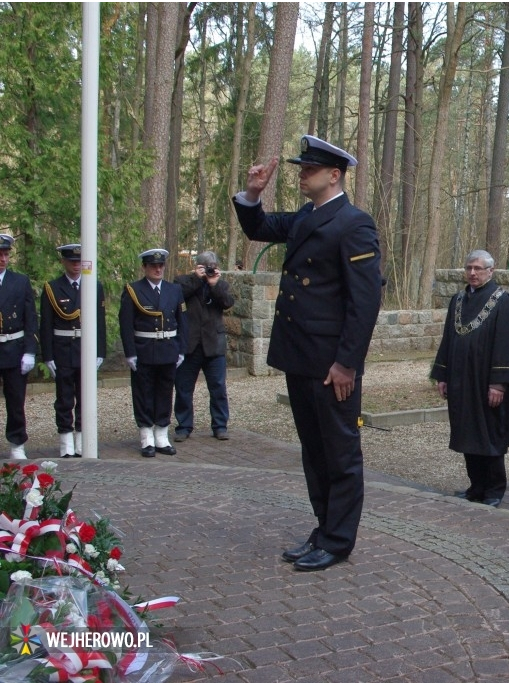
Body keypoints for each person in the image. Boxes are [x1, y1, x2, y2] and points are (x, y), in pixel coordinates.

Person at [233, 134, 381, 572]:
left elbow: (364, 302)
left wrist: (346, 363)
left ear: (334, 175)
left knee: (339, 452)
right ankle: (323, 529)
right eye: (301, 168)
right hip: (300, 356)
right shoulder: (306, 217)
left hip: (330, 362)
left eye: (309, 169)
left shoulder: (355, 224)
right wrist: (254, 193)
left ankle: (338, 541)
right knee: (314, 451)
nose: (301, 174)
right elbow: (258, 228)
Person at [431, 250, 509, 506]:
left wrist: (498, 383)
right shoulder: (457, 300)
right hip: (461, 379)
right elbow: (449, 338)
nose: (472, 273)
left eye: (478, 268)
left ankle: (493, 490)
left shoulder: (502, 300)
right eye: (469, 268)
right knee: (466, 432)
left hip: (486, 381)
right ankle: (476, 486)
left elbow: (506, 344)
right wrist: (442, 374)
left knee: (488, 434)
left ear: (490, 271)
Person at [119, 249, 188, 459]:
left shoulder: (174, 290)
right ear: (145, 267)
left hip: (168, 349)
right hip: (144, 349)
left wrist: (182, 349)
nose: (158, 269)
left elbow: (182, 321)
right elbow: (126, 324)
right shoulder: (133, 290)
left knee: (165, 392)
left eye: (161, 266)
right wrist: (130, 352)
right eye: (153, 266)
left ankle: (162, 434)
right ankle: (146, 436)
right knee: (144, 393)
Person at [39, 244, 106, 458]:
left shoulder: (93, 286)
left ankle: (81, 439)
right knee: (65, 398)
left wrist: (100, 351)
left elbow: (99, 322)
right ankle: (66, 440)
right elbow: (46, 325)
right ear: (64, 262)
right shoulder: (52, 288)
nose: (76, 265)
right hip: (63, 349)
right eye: (72, 261)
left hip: (85, 348)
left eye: (79, 261)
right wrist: (47, 355)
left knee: (85, 396)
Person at [173, 251, 235, 441]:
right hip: (190, 344)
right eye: (205, 266)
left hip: (213, 344)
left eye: (212, 266)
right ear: (197, 266)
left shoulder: (221, 284)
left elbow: (227, 303)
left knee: (218, 387)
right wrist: (197, 280)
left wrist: (213, 284)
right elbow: (178, 296)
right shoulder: (183, 281)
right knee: (184, 388)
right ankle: (184, 426)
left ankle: (220, 425)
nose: (209, 269)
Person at [0, 234, 38, 460]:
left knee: (15, 401)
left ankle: (16, 442)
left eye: (5, 254)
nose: (3, 259)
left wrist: (30, 351)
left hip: (14, 347)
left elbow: (30, 318)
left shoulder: (20, 281)